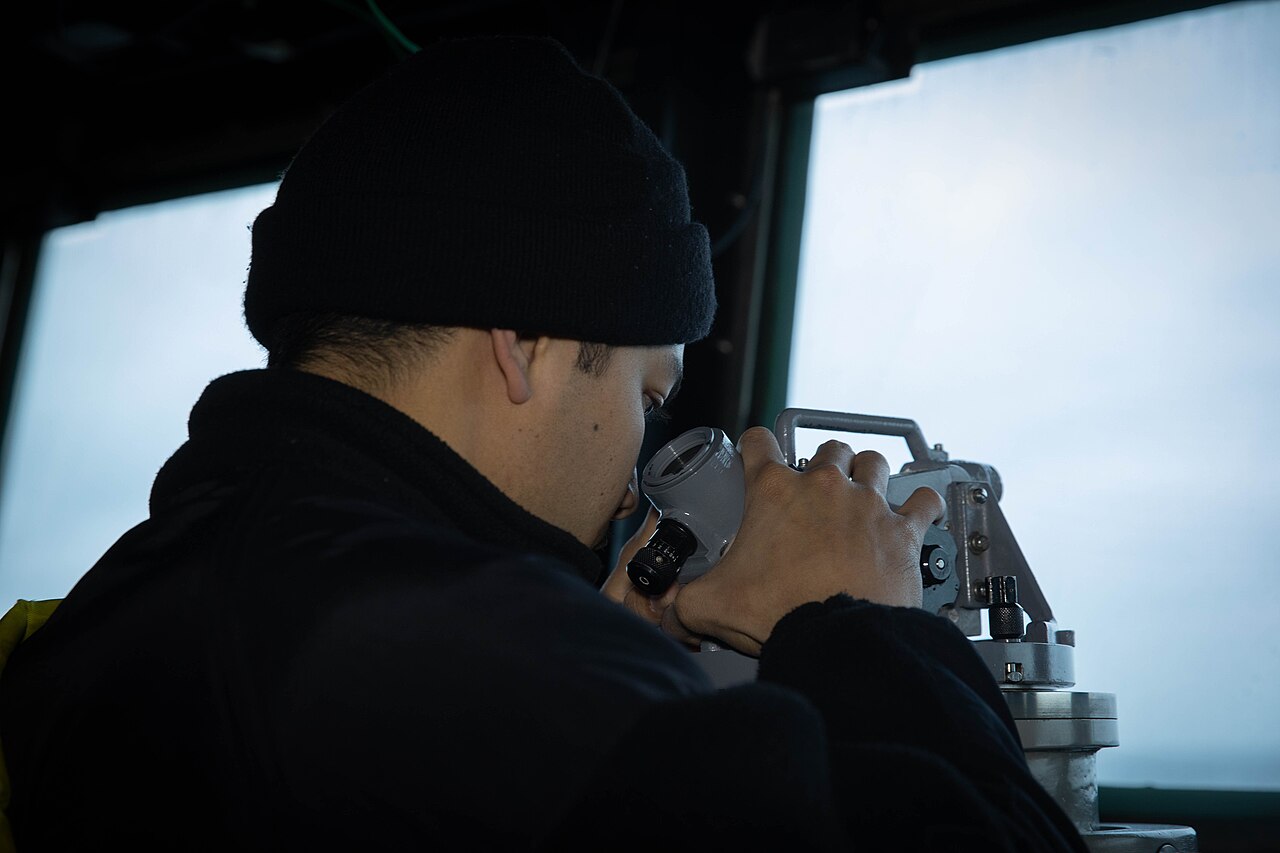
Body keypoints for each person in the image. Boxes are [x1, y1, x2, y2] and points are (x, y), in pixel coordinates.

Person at [0, 35, 1086, 852]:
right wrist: (859, 624)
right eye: (646, 391)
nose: (637, 458)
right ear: (523, 343)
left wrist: (599, 642)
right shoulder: (495, 666)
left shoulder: (108, 613)